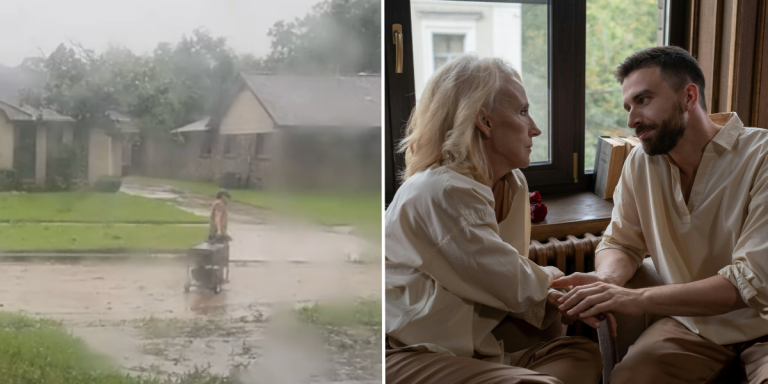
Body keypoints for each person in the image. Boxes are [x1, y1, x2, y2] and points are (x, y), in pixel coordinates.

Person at [553, 46, 768, 383]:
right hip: (692, 326)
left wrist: (635, 298)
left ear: (689, 97)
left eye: (643, 100)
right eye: (628, 106)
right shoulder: (640, 162)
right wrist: (609, 280)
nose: (630, 120)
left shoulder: (762, 156)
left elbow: (750, 284)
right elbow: (621, 243)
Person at [385, 54, 603, 384]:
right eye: (522, 112)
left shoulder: (512, 185)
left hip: (469, 347)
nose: (535, 128)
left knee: (582, 355)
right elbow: (507, 278)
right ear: (484, 122)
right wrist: (567, 288)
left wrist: (563, 293)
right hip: (405, 350)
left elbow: (511, 284)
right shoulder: (441, 190)